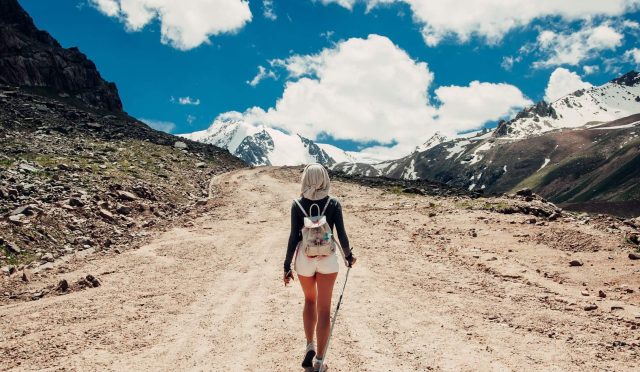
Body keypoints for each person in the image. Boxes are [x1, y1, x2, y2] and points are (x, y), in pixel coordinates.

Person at [283, 163, 356, 372]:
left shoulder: (297, 205)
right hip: (328, 259)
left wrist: (286, 265)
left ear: (305, 179)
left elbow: (292, 237)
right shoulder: (333, 204)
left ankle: (309, 346)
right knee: (324, 309)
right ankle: (320, 361)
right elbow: (341, 234)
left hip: (304, 259)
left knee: (309, 300)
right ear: (325, 179)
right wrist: (349, 256)